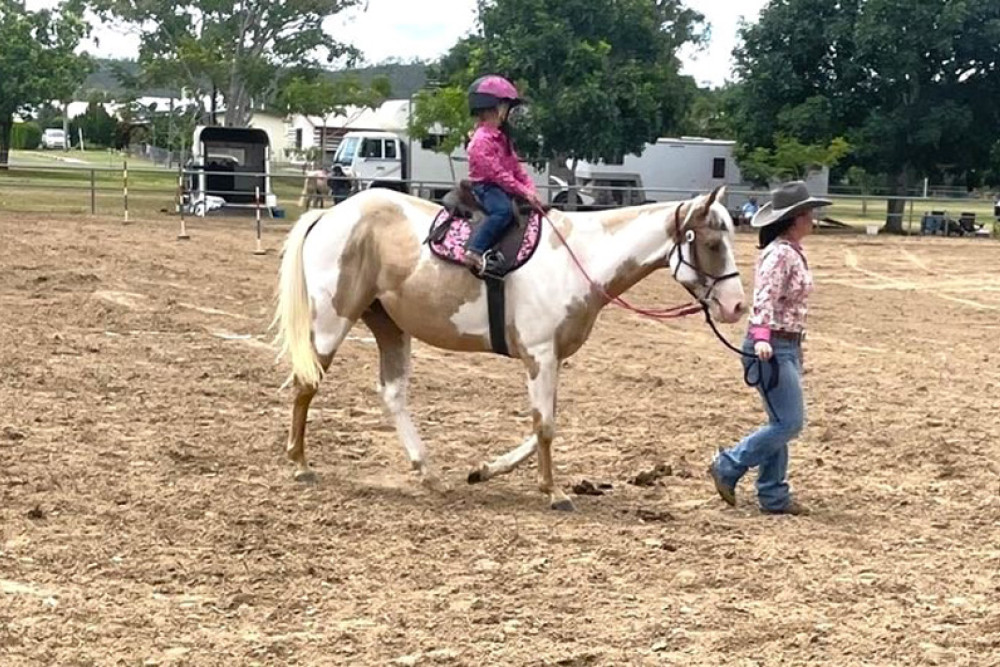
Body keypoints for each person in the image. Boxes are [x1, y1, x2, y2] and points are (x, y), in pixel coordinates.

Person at [707, 181, 831, 516]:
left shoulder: (789, 251)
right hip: (772, 345)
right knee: (789, 422)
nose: (813, 219)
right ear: (795, 218)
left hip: (785, 344)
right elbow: (764, 297)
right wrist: (762, 336)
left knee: (780, 421)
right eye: (809, 214)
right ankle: (729, 463)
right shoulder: (780, 254)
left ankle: (774, 496)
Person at [461, 75, 544, 274]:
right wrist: (524, 192)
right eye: (506, 106)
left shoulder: (501, 138)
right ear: (495, 108)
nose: (508, 112)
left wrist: (531, 190)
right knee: (502, 211)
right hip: (486, 186)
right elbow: (498, 174)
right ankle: (474, 249)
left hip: (500, 185)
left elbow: (515, 168)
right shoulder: (481, 141)